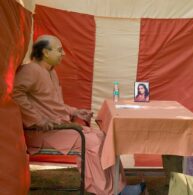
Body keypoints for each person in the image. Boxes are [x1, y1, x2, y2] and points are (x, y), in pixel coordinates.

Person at [13, 35, 145, 195]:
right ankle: (107, 191)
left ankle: (118, 186)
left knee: (105, 136)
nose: (63, 54)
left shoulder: (51, 73)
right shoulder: (30, 70)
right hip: (42, 133)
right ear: (45, 52)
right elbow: (15, 94)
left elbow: (55, 105)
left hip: (58, 129)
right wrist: (37, 120)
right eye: (59, 50)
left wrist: (75, 111)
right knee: (94, 142)